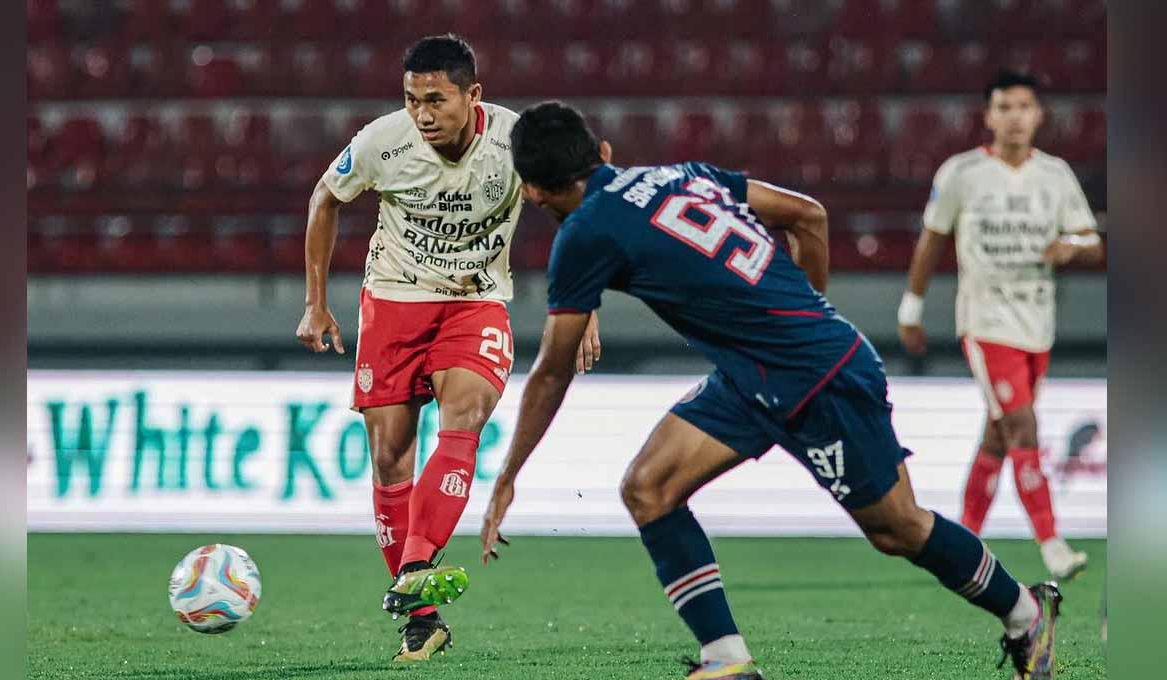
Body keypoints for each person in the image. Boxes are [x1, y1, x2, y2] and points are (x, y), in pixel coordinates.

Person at [479, 101, 1061, 680]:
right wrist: (806, 313)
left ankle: (1025, 613)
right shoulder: (682, 174)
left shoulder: (583, 232)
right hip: (754, 375)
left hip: (819, 378)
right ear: (603, 153)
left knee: (897, 527)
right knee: (649, 487)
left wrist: (507, 475)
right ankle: (727, 661)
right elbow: (807, 215)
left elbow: (554, 369)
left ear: (532, 191)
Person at [294, 36, 600, 662]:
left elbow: (577, 208)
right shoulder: (384, 141)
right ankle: (423, 620)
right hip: (393, 301)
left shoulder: (516, 143)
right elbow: (325, 198)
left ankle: (411, 568)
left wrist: (585, 306)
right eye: (412, 100)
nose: (423, 114)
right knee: (389, 459)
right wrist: (315, 302)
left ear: (473, 96)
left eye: (436, 99)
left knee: (463, 420)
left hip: (475, 301)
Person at [898, 70, 1102, 581]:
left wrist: (1070, 247)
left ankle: (960, 540)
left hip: (1037, 321)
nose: (1015, 117)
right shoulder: (961, 173)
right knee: (1022, 425)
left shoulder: (1054, 174)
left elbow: (1091, 238)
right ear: (989, 116)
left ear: (1038, 115)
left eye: (1024, 107)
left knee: (997, 434)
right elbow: (932, 239)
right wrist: (911, 308)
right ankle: (1051, 542)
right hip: (986, 322)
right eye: (1004, 107)